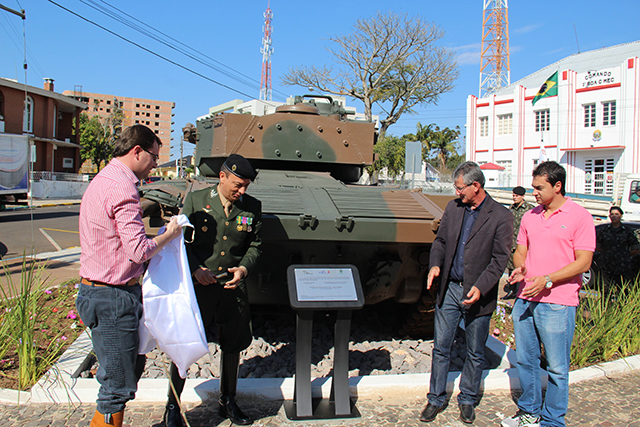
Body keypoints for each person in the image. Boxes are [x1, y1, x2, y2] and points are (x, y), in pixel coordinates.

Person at [76, 125, 182, 427]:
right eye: (154, 157)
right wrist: (170, 234)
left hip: (105, 292)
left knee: (124, 374)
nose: (155, 164)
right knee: (117, 386)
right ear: (137, 151)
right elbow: (138, 250)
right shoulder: (122, 187)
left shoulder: (104, 179)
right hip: (112, 297)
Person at [163, 154, 262, 427]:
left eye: (246, 186)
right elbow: (181, 242)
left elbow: (255, 245)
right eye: (237, 184)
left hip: (232, 288)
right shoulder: (196, 201)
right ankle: (172, 405)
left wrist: (243, 269)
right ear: (222, 176)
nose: (241, 191)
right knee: (185, 344)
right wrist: (195, 269)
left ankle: (227, 400)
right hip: (200, 287)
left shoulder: (252, 207)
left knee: (233, 344)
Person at [503, 161, 595, 427]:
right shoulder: (530, 216)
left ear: (558, 186)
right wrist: (521, 268)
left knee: (556, 368)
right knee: (525, 360)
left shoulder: (579, 217)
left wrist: (547, 280)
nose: (534, 193)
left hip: (558, 302)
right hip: (525, 299)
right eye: (533, 188)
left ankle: (553, 420)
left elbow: (583, 262)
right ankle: (530, 411)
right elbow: (521, 250)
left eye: (539, 188)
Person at [420, 161, 512, 424]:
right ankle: (435, 398)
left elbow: (499, 260)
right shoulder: (453, 207)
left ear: (476, 186)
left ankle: (468, 399)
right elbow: (440, 241)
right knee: (441, 347)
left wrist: (481, 287)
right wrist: (436, 265)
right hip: (450, 289)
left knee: (474, 351)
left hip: (477, 293)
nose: (456, 191)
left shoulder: (502, 216)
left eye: (460, 187)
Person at [595, 206, 639, 292]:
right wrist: (607, 254)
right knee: (605, 291)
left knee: (622, 291)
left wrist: (624, 255)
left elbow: (636, 248)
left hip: (622, 267)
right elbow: (597, 246)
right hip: (606, 266)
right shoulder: (604, 230)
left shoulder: (627, 231)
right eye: (612, 214)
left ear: (621, 216)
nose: (614, 216)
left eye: (617, 214)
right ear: (609, 216)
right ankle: (606, 305)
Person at [503, 186, 535, 300]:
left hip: (523, 244)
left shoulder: (530, 209)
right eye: (513, 195)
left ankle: (523, 289)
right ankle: (512, 291)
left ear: (522, 196)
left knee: (522, 267)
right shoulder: (511, 209)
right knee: (511, 267)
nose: (514, 198)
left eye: (516, 196)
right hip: (511, 243)